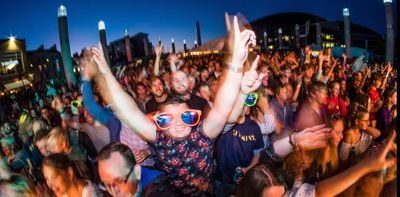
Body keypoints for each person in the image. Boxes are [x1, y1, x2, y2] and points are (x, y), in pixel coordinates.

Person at [91, 14, 260, 196]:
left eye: (186, 116)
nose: (179, 123)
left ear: (194, 118)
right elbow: (129, 110)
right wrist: (106, 74)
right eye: (169, 119)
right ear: (160, 121)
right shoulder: (159, 138)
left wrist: (236, 63)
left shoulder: (204, 134)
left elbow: (223, 106)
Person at [97, 143, 175, 197]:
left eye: (119, 180)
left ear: (137, 172)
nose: (114, 193)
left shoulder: (161, 190)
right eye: (106, 184)